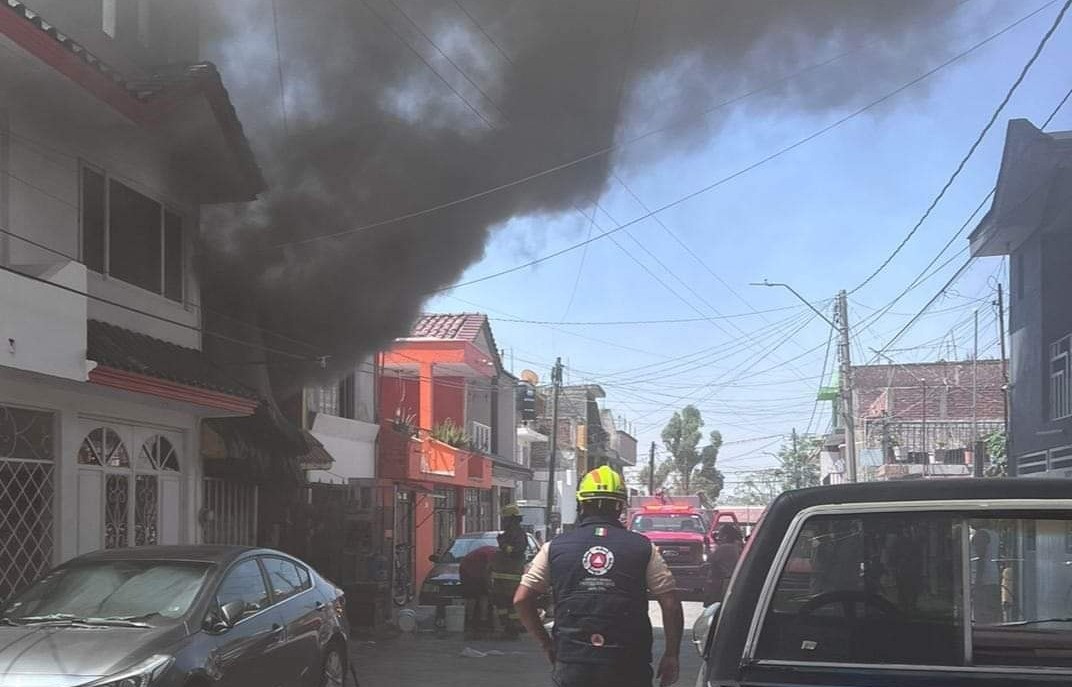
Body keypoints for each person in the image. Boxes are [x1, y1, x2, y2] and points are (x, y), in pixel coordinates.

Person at [513, 465, 684, 687]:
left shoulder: (553, 548)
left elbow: (521, 599)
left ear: (582, 504)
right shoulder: (644, 548)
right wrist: (672, 654)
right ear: (620, 507)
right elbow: (670, 604)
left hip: (573, 662)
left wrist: (546, 643)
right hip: (629, 663)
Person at [490, 503, 527, 637]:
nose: (503, 521)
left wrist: (504, 545)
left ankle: (512, 628)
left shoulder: (518, 534)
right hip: (502, 578)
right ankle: (507, 626)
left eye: (505, 519)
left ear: (512, 519)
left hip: (510, 578)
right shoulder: (508, 533)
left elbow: (517, 551)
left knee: (510, 604)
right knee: (502, 604)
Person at [459, 544, 497, 638]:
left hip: (474, 569)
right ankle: (470, 619)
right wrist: (490, 585)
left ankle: (482, 619)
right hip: (468, 571)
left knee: (484, 594)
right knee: (472, 595)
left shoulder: (493, 551)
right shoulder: (493, 554)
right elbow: (488, 571)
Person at [703, 522, 743, 607]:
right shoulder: (735, 547)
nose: (718, 536)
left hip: (722, 584)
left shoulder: (724, 548)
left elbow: (710, 559)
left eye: (720, 534)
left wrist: (707, 546)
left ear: (725, 536)